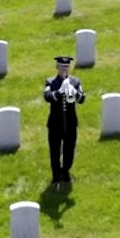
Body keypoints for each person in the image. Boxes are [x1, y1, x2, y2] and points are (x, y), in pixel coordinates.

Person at [42, 56, 85, 185]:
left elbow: (82, 98)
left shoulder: (75, 82)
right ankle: (56, 176)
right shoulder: (50, 82)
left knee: (69, 151)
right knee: (54, 151)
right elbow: (47, 96)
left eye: (66, 67)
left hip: (71, 123)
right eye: (61, 67)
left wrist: (75, 93)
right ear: (57, 67)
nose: (64, 69)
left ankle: (65, 171)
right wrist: (59, 93)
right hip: (55, 123)